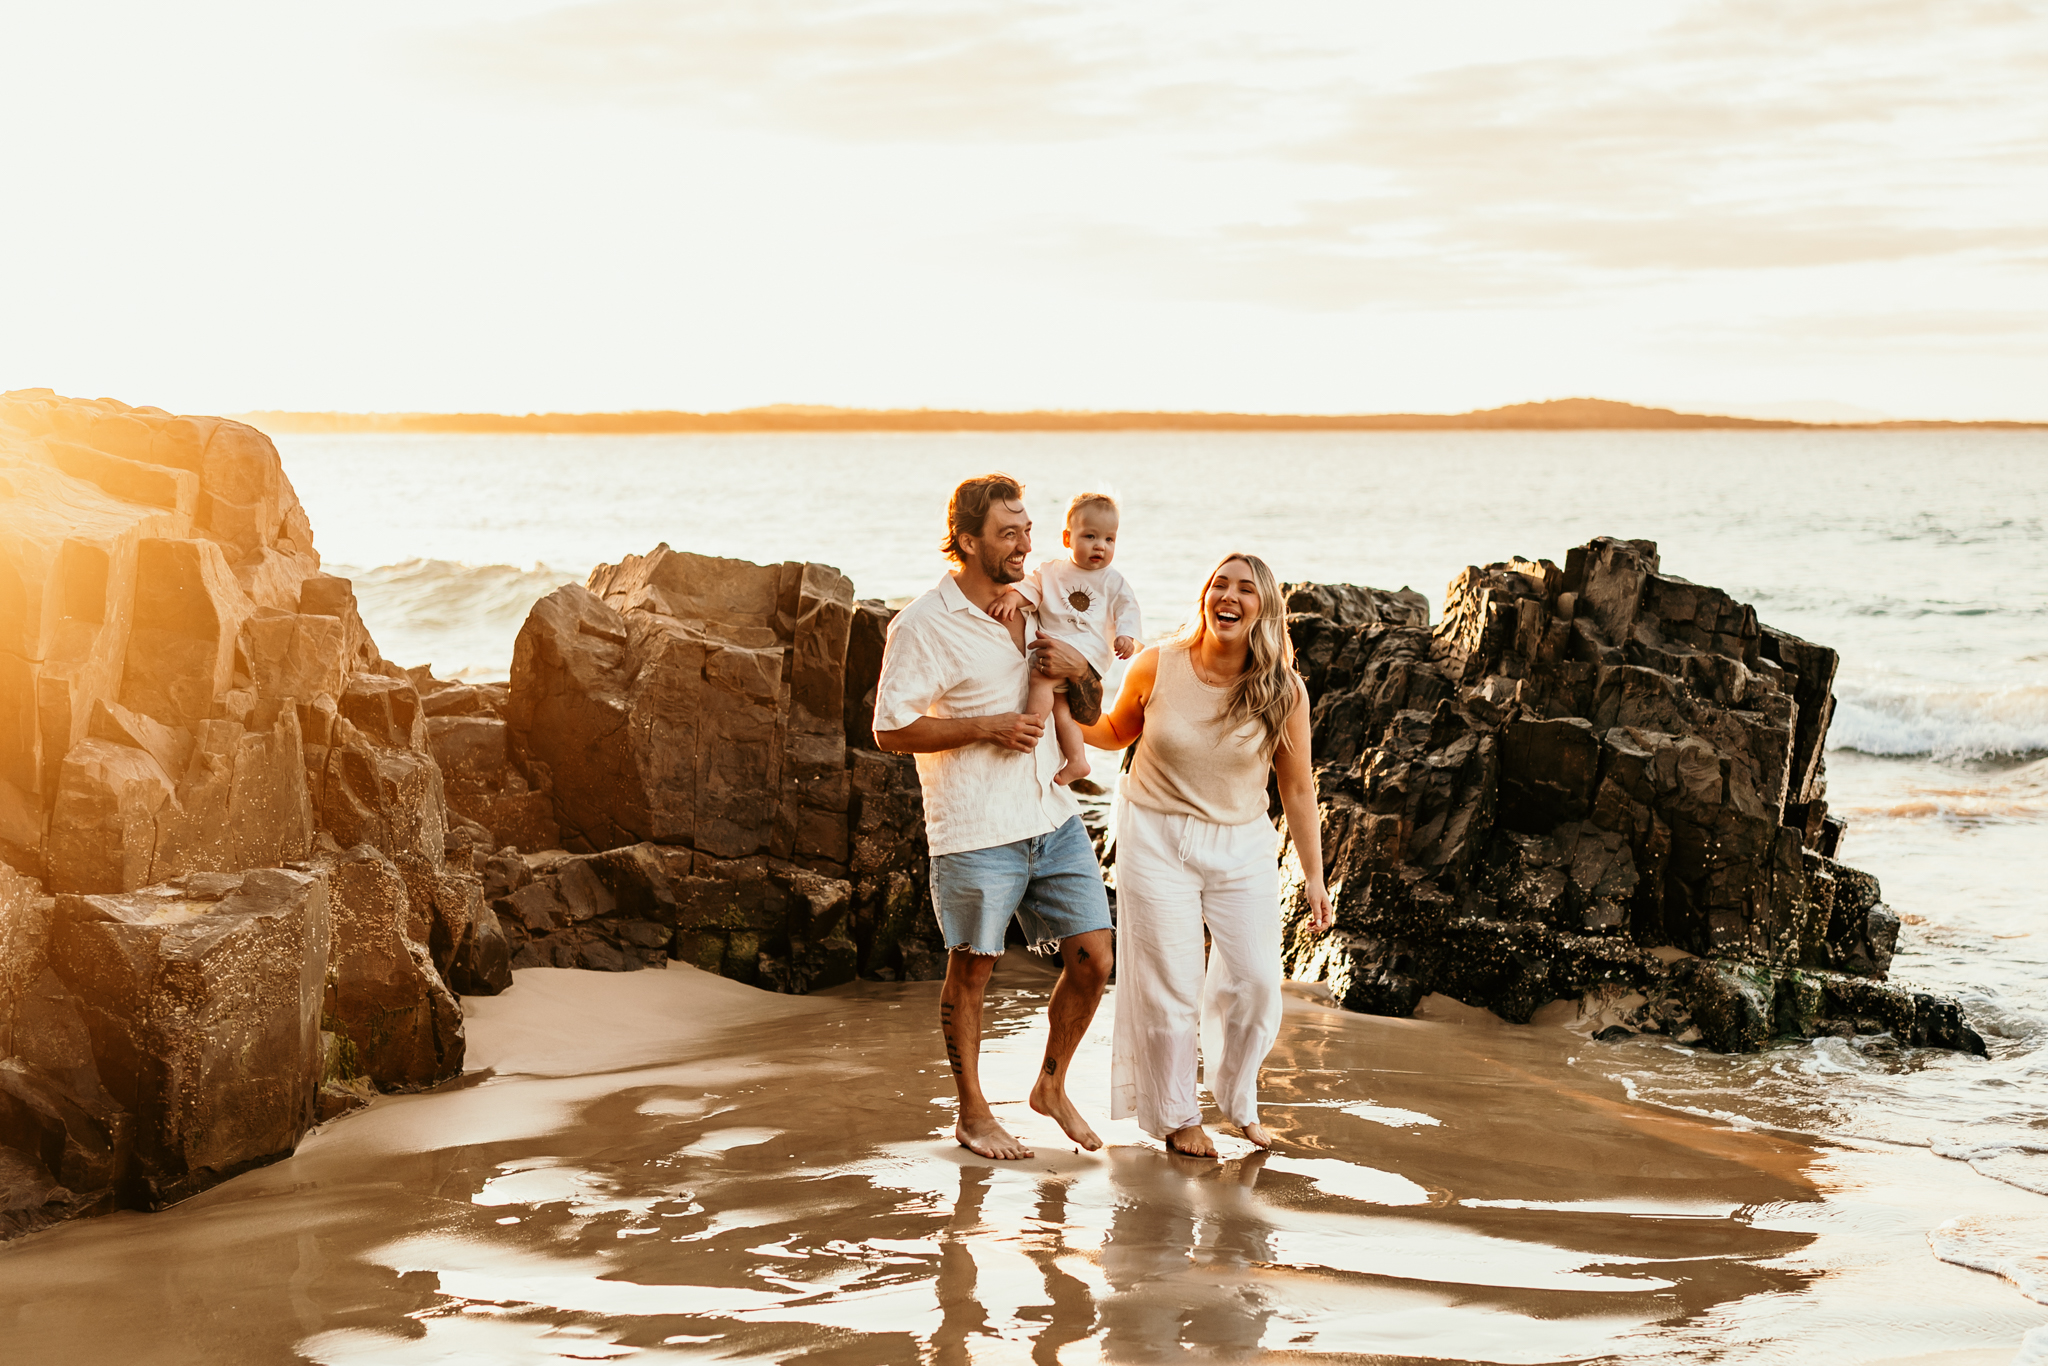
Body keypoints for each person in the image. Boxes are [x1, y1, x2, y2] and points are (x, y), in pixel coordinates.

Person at [872, 473, 1115, 1161]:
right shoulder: (922, 624)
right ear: (968, 540)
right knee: (973, 971)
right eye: (1009, 533)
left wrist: (1079, 667)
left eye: (1028, 529)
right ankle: (974, 1113)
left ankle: (1050, 1086)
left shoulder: (1039, 602)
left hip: (1052, 816)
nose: (1024, 543)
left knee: (1095, 958)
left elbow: (1090, 712)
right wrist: (988, 727)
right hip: (976, 830)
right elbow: (890, 730)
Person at [1079, 551, 1335, 1158]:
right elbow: (1116, 733)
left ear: (1264, 608)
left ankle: (1238, 1099)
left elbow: (1298, 788)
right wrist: (1059, 706)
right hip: (1154, 833)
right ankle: (1177, 1118)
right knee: (1170, 982)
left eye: (1246, 589)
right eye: (1219, 584)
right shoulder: (1157, 665)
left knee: (1254, 982)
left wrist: (1316, 878)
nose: (1229, 595)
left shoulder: (1281, 689)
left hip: (1242, 842)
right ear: (1204, 597)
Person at [989, 491, 1144, 788]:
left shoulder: (1113, 580)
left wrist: (1126, 635)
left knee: (1040, 679)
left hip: (1087, 649)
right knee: (1062, 709)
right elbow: (1031, 589)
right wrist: (1012, 599)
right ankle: (1077, 760)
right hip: (1059, 645)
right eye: (1089, 536)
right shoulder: (1052, 572)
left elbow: (1128, 608)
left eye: (1109, 539)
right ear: (1067, 538)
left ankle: (1031, 727)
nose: (1100, 545)